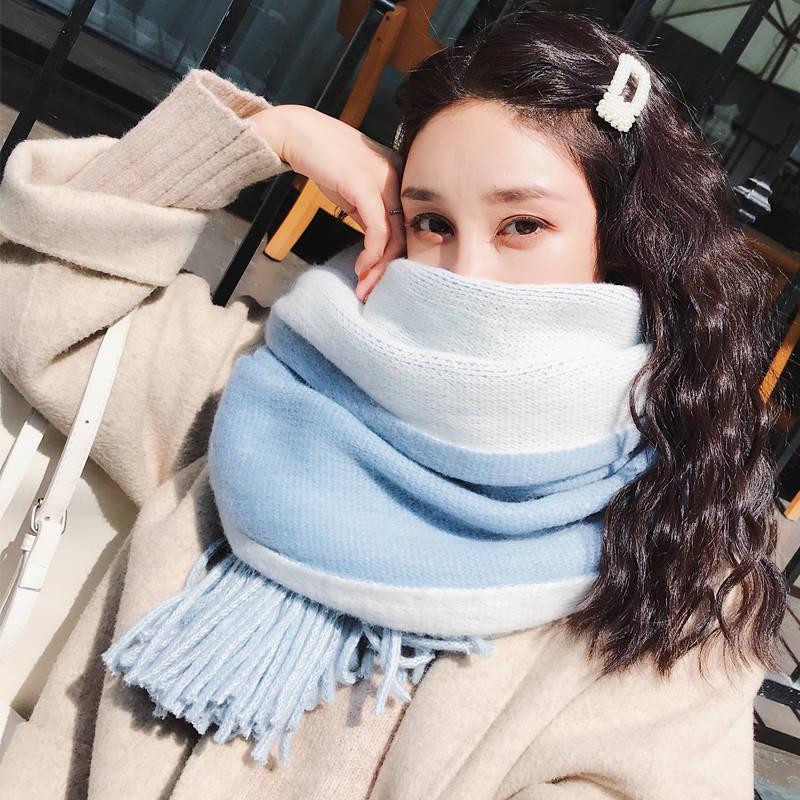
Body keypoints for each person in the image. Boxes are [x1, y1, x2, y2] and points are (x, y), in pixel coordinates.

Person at [0, 7, 786, 799]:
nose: (464, 273)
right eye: (432, 221)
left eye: (522, 224)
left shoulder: (676, 549)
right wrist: (276, 132)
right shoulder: (268, 389)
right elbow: (31, 296)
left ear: (622, 244)